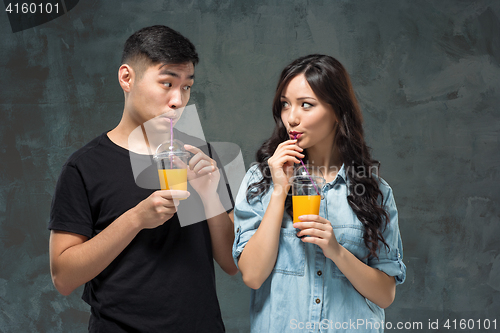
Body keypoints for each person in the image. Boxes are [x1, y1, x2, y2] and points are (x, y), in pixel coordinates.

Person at [49, 25, 237, 332]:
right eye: (167, 83)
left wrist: (210, 195)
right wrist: (136, 218)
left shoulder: (200, 154)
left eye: (187, 87)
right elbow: (63, 277)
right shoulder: (85, 167)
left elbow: (231, 263)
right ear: (127, 78)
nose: (178, 100)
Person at [232, 54, 406, 332]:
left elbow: (385, 295)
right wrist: (280, 189)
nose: (292, 117)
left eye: (306, 105)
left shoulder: (374, 191)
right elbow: (252, 276)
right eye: (285, 105)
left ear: (337, 111)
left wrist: (337, 252)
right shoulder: (261, 179)